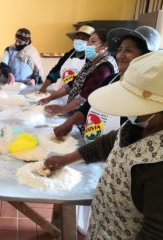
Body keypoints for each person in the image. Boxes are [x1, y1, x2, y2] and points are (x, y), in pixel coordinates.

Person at [44, 51, 163, 239]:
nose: (130, 111)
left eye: (137, 106)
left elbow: (155, 232)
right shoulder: (136, 126)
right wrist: (66, 159)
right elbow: (108, 143)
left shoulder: (158, 166)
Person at [53, 26, 161, 140]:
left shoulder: (147, 95)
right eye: (120, 50)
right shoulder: (110, 80)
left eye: (128, 50)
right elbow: (87, 106)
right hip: (90, 148)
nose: (120, 55)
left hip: (112, 154)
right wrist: (69, 123)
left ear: (146, 57)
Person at [39, 30, 118, 119]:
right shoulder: (92, 62)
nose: (88, 44)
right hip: (72, 110)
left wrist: (62, 109)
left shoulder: (104, 68)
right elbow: (72, 84)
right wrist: (49, 98)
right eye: (88, 41)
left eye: (93, 41)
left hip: (88, 117)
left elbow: (84, 98)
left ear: (104, 46)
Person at [39, 25, 95, 93]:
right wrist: (44, 87)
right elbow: (56, 71)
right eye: (77, 37)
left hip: (77, 97)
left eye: (83, 39)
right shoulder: (69, 54)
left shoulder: (91, 59)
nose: (79, 40)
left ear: (90, 42)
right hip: (60, 93)